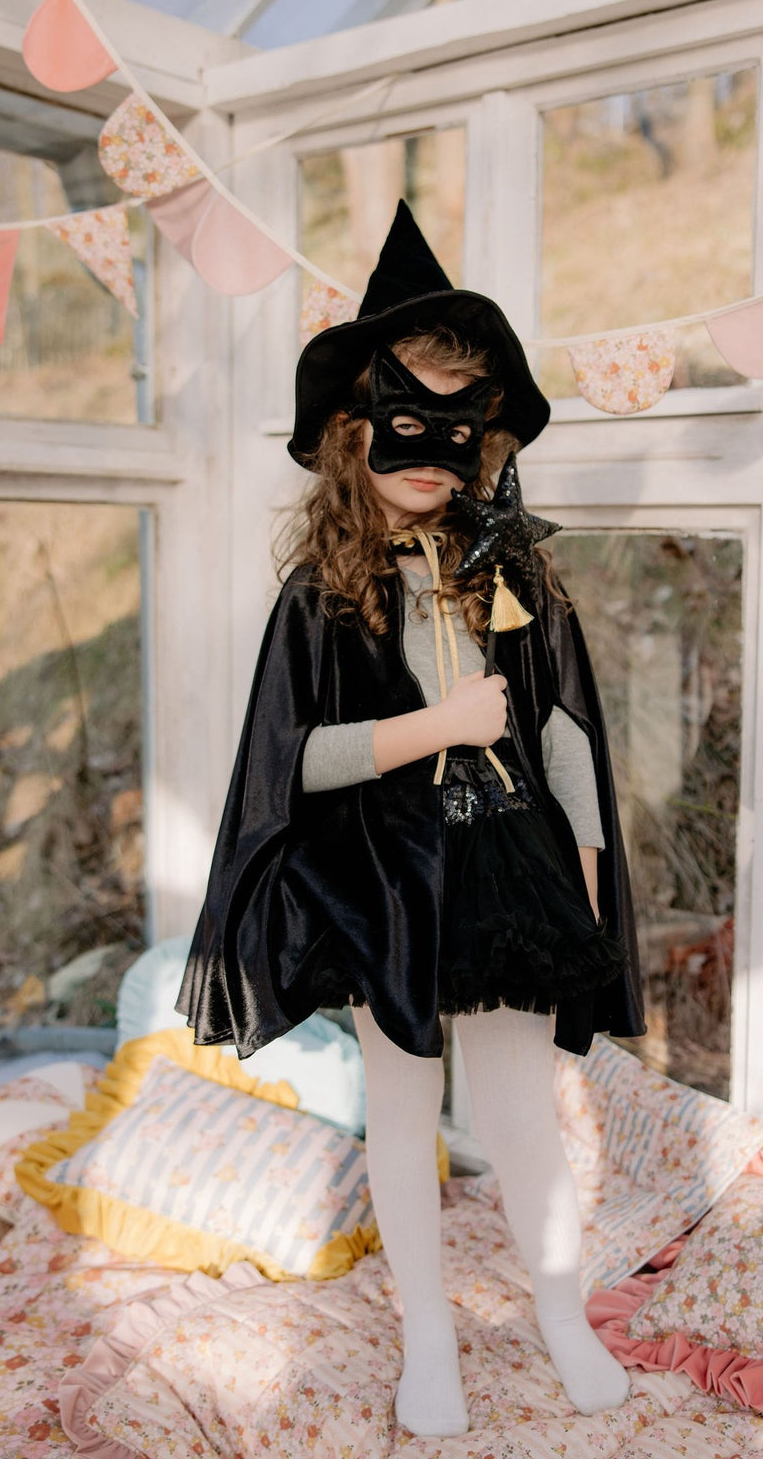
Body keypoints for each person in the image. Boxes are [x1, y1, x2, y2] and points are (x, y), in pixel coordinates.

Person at [176, 201, 646, 1438]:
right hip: (382, 884)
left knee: (520, 1113)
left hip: (509, 870)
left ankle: (560, 1315)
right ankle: (427, 1338)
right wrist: (436, 726)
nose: (434, 454)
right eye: (409, 422)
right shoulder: (319, 595)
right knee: (401, 1109)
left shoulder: (512, 572)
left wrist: (585, 866)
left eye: (460, 426)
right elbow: (291, 761)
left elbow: (564, 729)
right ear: (355, 430)